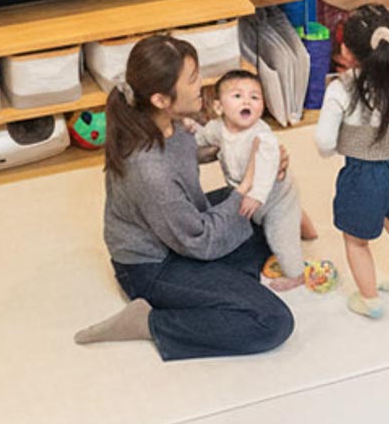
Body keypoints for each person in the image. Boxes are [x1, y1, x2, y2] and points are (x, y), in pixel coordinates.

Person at [74, 35, 294, 359]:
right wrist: (247, 182)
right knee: (272, 321)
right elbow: (199, 240)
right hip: (154, 265)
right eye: (192, 79)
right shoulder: (149, 170)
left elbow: (188, 154)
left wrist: (253, 156)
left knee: (267, 210)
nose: (200, 84)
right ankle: (150, 322)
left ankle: (218, 285)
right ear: (161, 99)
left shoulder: (164, 120)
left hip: (180, 225)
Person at [315, 5, 389, 319]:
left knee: (356, 241)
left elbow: (324, 142)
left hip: (364, 176)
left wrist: (337, 150)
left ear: (346, 51)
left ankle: (369, 300)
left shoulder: (341, 89)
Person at [196, 69, 336, 293]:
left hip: (274, 198)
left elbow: (266, 170)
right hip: (250, 191)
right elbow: (200, 138)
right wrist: (190, 134)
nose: (247, 101)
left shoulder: (262, 136)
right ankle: (306, 227)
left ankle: (296, 274)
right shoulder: (217, 128)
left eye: (255, 97)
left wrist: (256, 196)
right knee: (287, 217)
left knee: (279, 236)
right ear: (219, 107)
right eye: (237, 96)